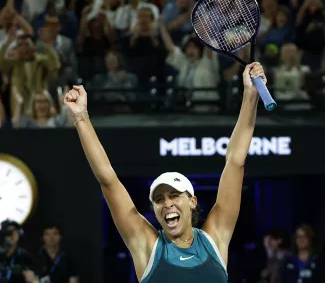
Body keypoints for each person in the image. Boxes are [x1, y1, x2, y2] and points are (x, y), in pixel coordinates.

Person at [64, 62, 267, 282]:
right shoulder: (147, 245)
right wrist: (81, 117)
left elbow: (236, 161)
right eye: (159, 199)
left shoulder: (215, 239)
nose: (167, 203)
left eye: (175, 195)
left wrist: (250, 95)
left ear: (192, 201)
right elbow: (108, 179)